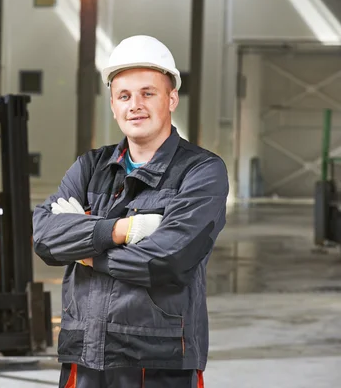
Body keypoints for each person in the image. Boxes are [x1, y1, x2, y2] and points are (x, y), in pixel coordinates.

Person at [32, 35, 229, 388]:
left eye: (147, 93)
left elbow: (167, 259)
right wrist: (121, 231)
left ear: (171, 99)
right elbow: (45, 237)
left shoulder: (201, 171)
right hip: (84, 353)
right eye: (124, 96)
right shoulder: (91, 166)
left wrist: (87, 254)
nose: (135, 105)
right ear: (112, 105)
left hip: (157, 357)